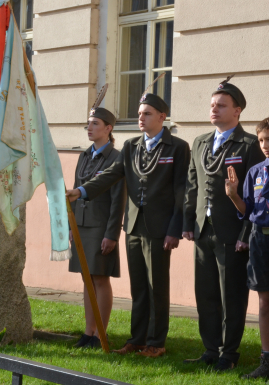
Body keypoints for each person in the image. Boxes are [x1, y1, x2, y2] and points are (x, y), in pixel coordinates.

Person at [66, 79, 190, 358]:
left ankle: (156, 342)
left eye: (146, 113)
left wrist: (175, 228)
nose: (140, 118)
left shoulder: (177, 147)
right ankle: (137, 339)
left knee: (157, 285)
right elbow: (111, 175)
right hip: (133, 226)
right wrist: (81, 191)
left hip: (160, 228)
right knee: (139, 287)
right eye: (139, 113)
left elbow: (182, 190)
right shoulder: (132, 146)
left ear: (162, 117)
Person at [182, 76, 264, 371]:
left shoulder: (249, 144)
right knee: (205, 293)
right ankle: (209, 349)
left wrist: (245, 233)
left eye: (221, 105)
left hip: (233, 233)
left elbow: (256, 195)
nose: (214, 110)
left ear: (237, 111)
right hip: (203, 230)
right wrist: (187, 221)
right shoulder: (200, 142)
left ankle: (229, 353)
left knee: (231, 296)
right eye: (212, 105)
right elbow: (192, 183)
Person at [69, 87, 127, 349]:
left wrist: (111, 234)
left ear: (109, 128)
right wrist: (71, 226)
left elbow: (118, 199)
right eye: (88, 124)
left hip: (101, 226)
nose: (90, 128)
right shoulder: (84, 155)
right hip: (81, 224)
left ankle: (100, 333)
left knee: (100, 278)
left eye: (95, 124)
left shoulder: (116, 157)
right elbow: (74, 190)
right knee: (86, 278)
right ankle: (88, 330)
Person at [225, 117, 269, 379]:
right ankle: (266, 360)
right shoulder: (256, 172)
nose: (265, 145)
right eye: (262, 140)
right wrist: (233, 196)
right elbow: (248, 211)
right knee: (264, 303)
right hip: (260, 240)